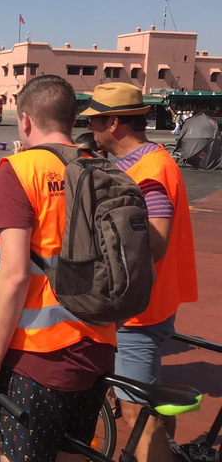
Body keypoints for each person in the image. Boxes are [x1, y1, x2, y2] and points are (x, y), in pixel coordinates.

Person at [0, 75, 116, 462]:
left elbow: (14, 275)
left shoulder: (20, 168)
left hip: (40, 354)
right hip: (99, 341)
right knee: (72, 452)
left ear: (25, 121)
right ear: (72, 118)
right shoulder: (101, 169)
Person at [86, 82, 197, 462]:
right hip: (150, 302)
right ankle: (172, 450)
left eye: (95, 121)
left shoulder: (148, 171)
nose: (91, 129)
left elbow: (157, 240)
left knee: (135, 413)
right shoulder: (145, 161)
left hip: (139, 311)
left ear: (114, 122)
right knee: (148, 400)